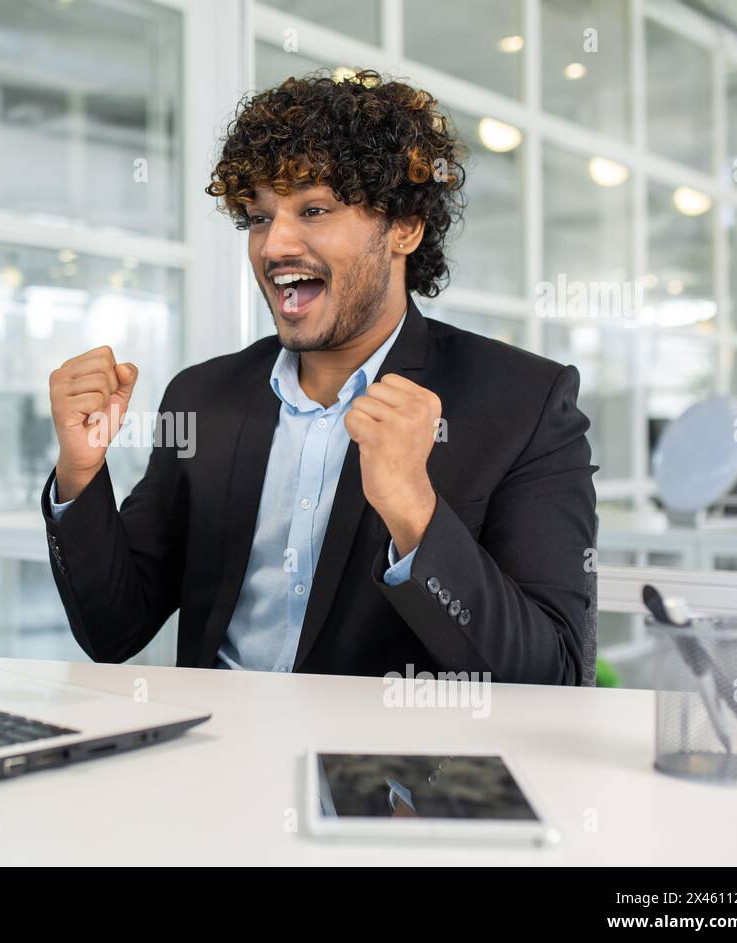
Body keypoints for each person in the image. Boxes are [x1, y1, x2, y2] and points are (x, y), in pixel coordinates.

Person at [42, 70, 597, 685]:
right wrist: (80, 474)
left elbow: (554, 676)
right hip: (216, 740)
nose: (274, 245)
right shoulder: (202, 396)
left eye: (313, 210)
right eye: (258, 217)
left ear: (404, 228)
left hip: (391, 748)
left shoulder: (524, 403)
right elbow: (114, 630)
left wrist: (414, 511)